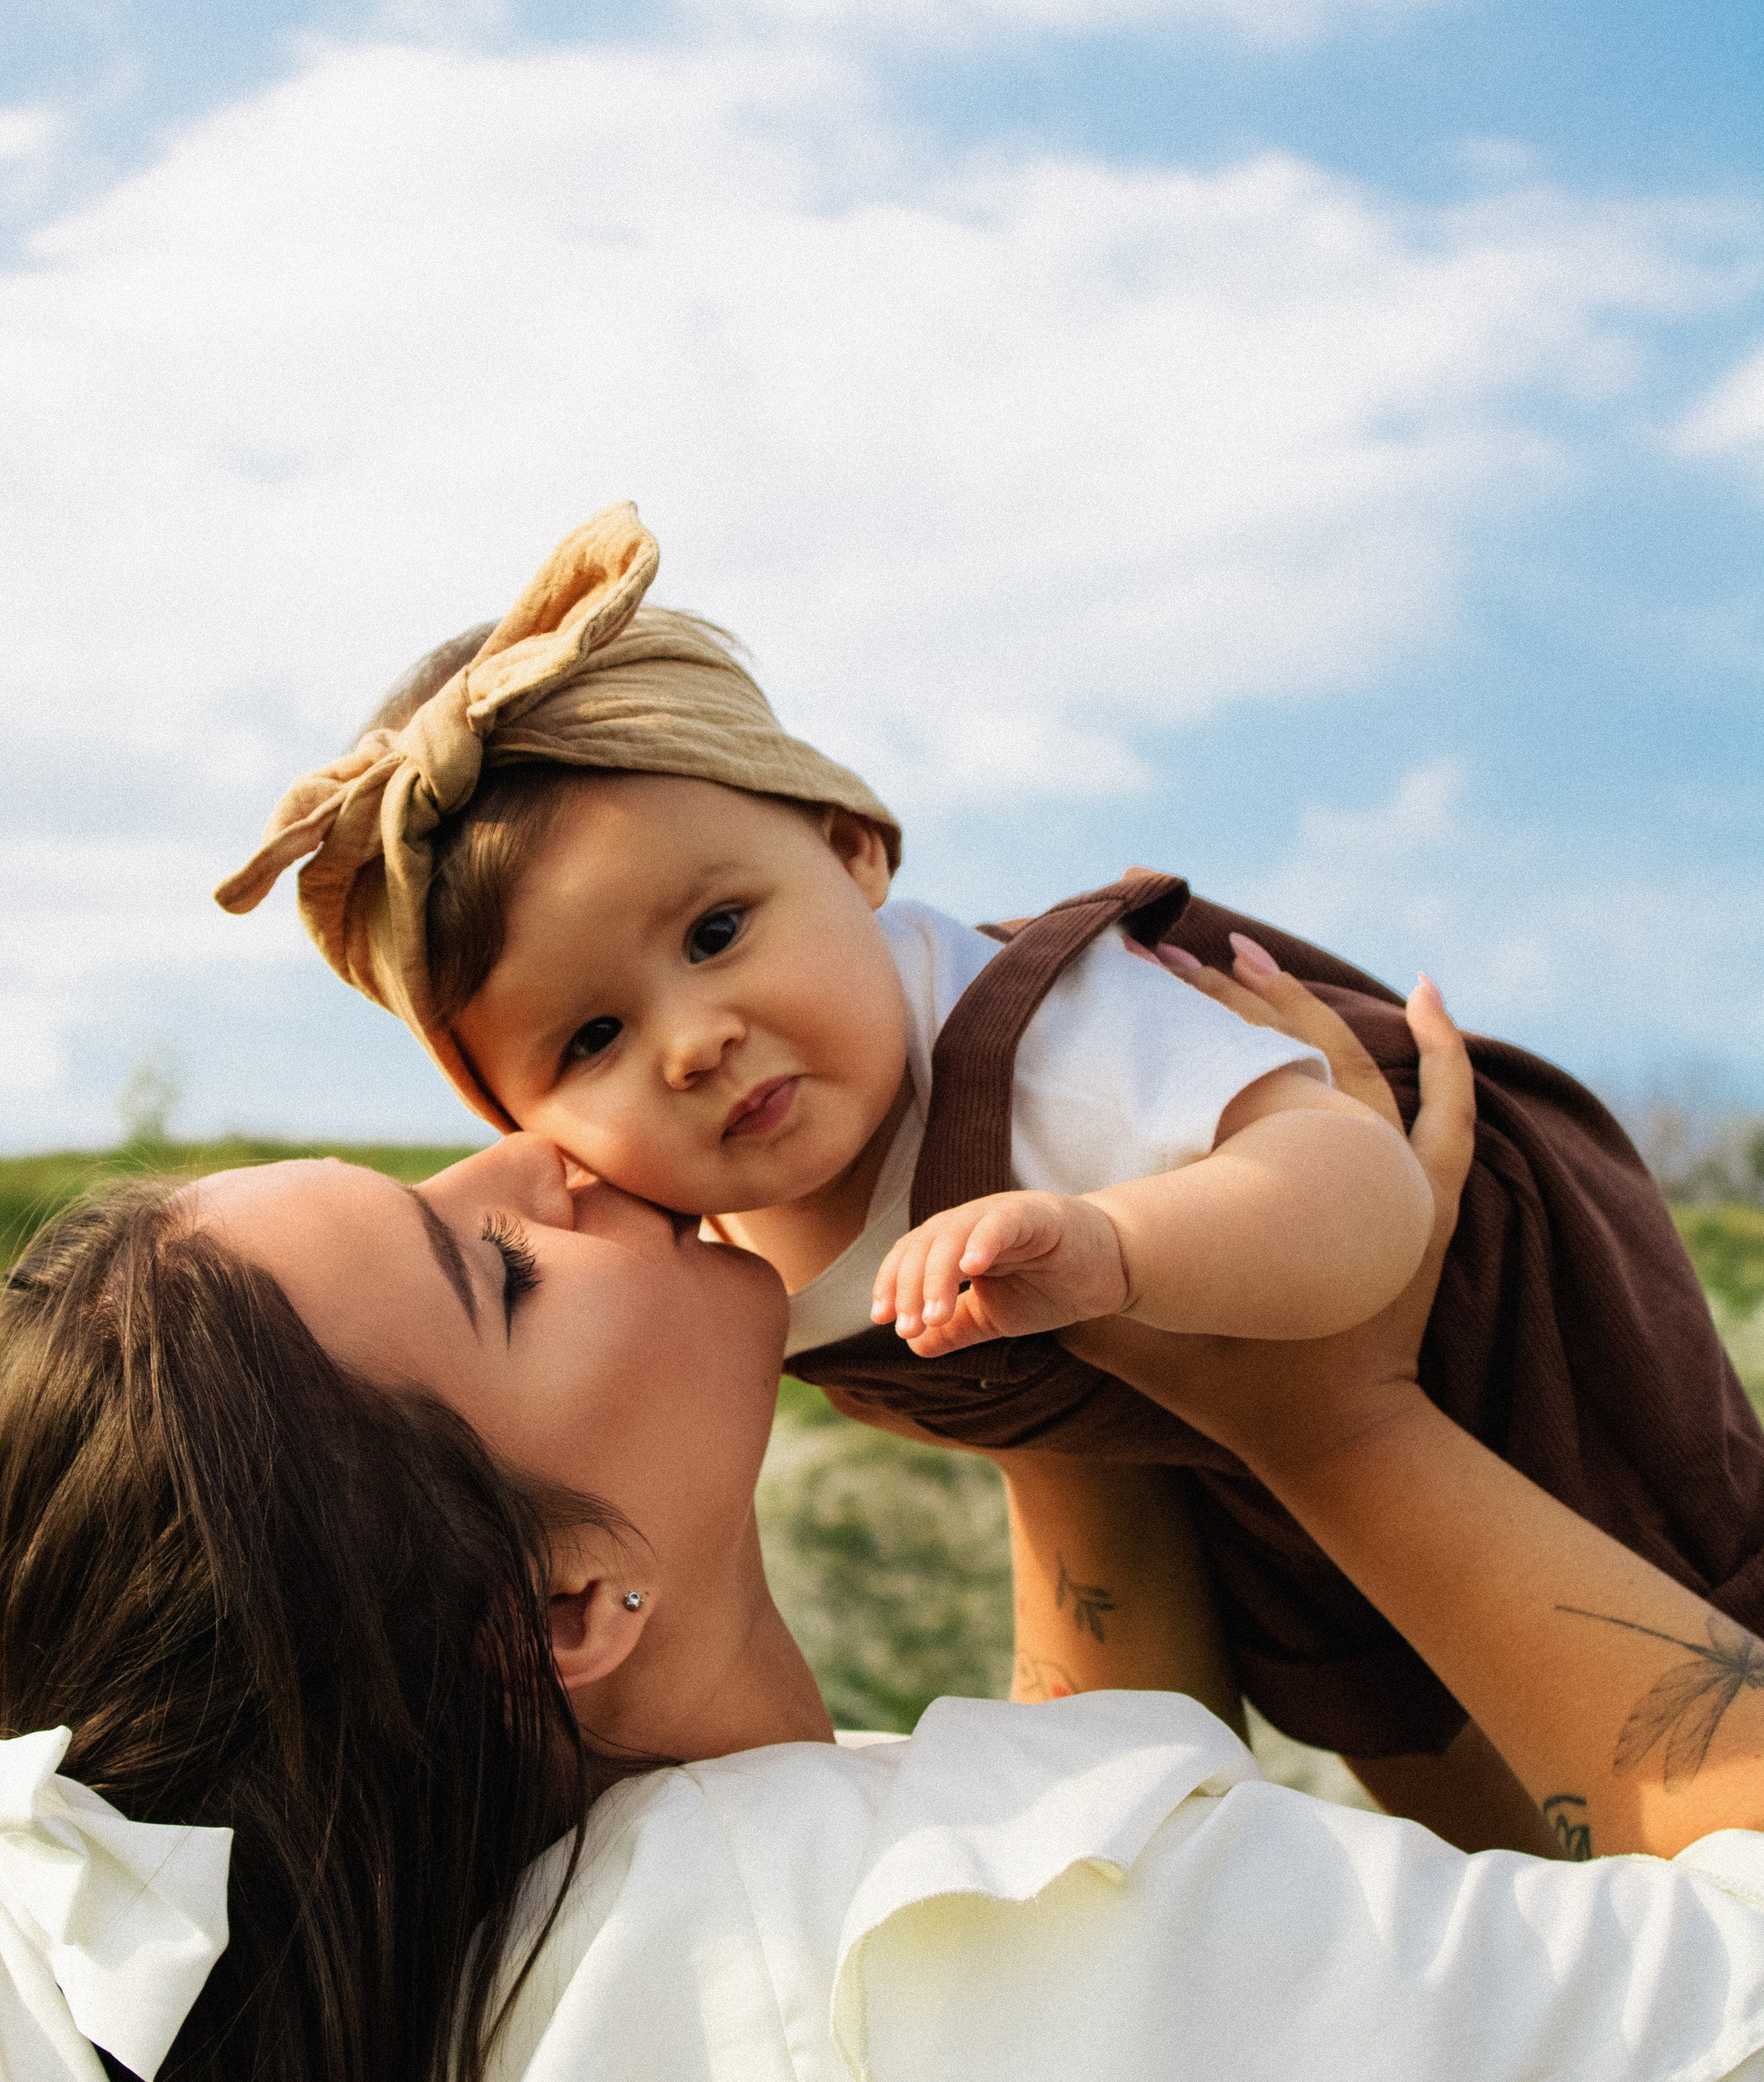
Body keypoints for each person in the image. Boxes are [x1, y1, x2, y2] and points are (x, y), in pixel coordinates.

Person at [0, 976, 1764, 2082]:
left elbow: (1070, 1833)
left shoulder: (526, 2022)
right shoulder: (844, 1986)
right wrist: (1333, 1416)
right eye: (492, 1268)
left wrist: (1047, 1348)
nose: (551, 1150)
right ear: (558, 1612)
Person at [212, 500, 1764, 1832]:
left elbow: (1368, 1195)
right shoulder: (709, 1256)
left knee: (1680, 1597)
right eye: (591, 1039)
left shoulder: (1044, 1045)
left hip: (1496, 1318)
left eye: (716, 931)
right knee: (1403, 1740)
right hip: (1223, 1455)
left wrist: (1116, 1246)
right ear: (521, 1117)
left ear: (852, 848)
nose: (692, 1041)